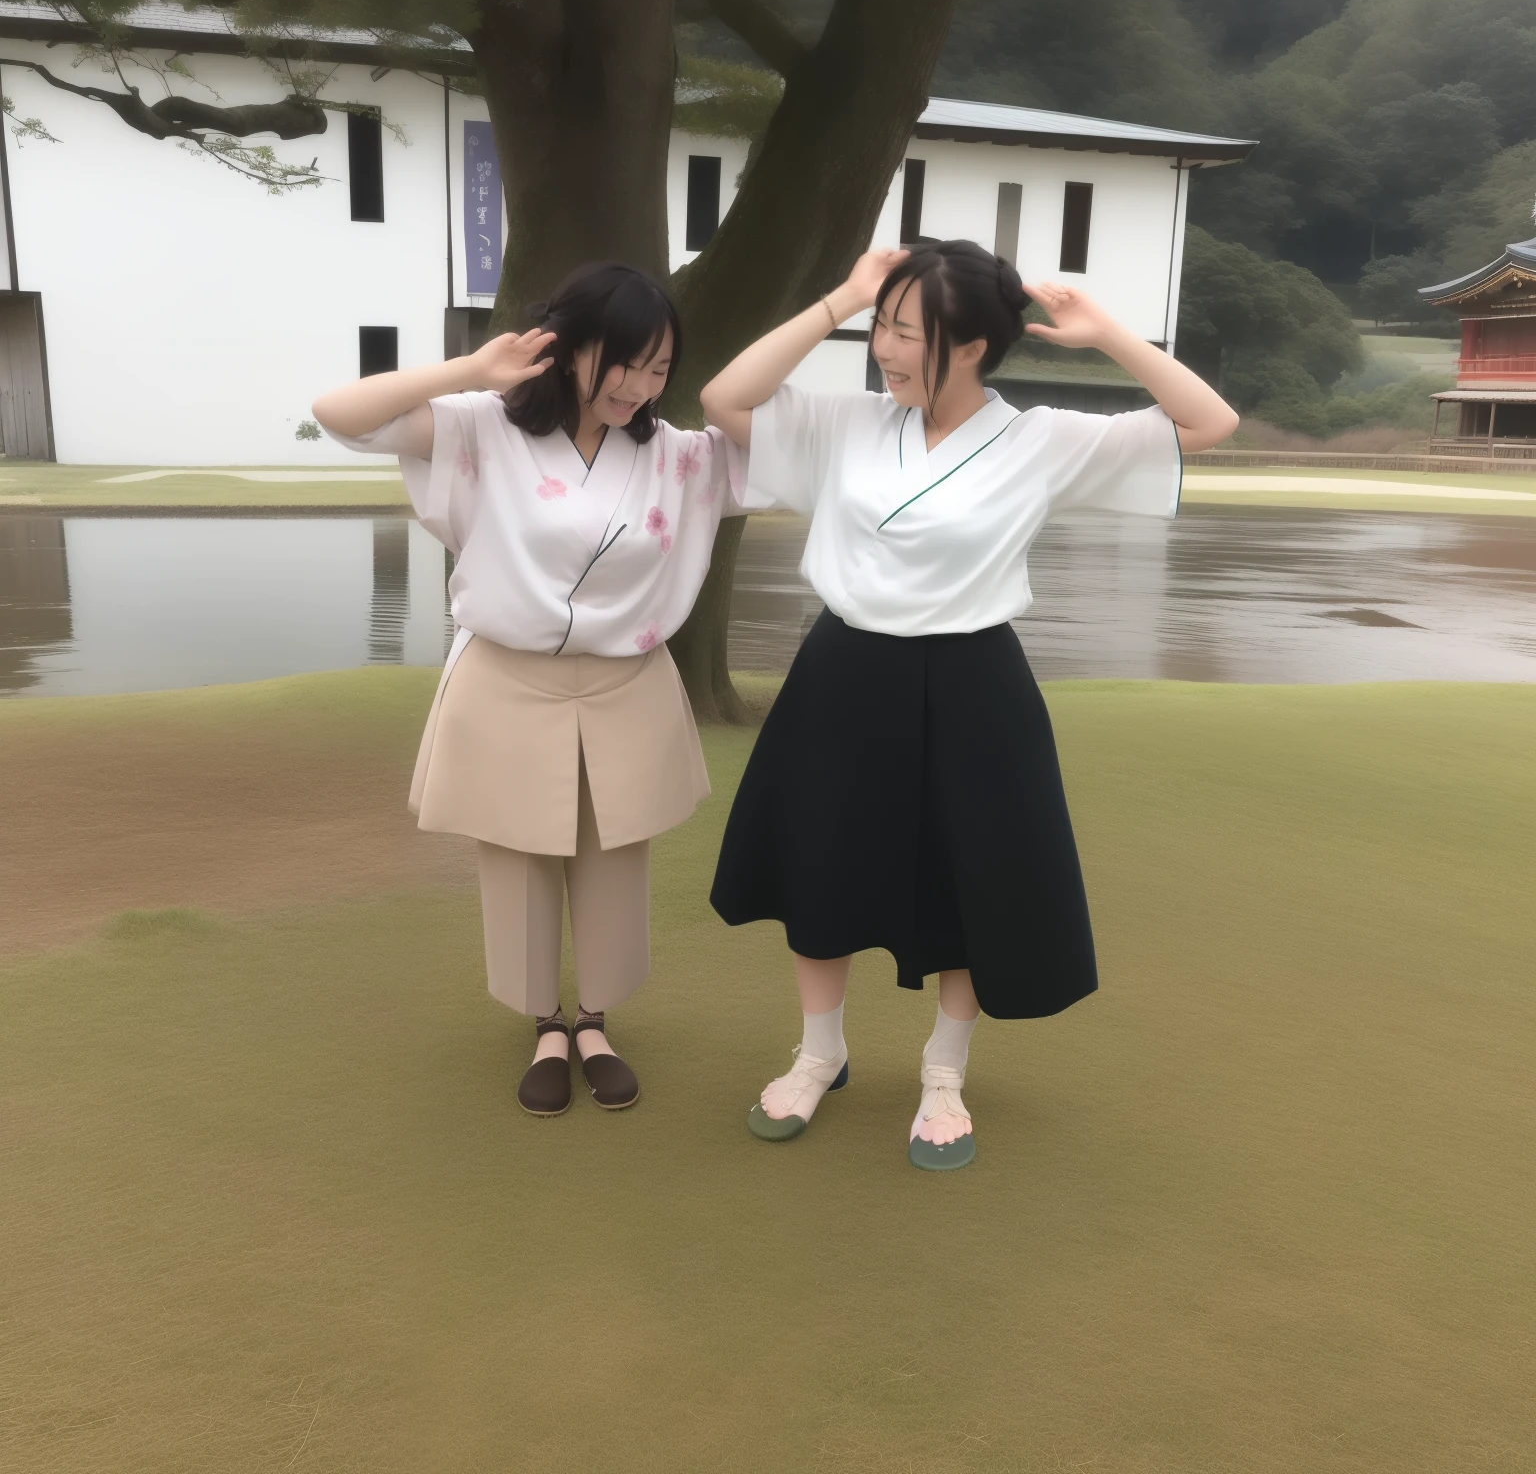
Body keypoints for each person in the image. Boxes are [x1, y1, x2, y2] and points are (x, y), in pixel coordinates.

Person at [701, 239, 1238, 1171]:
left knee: (970, 876)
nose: (886, 348)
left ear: (976, 346)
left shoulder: (1042, 440)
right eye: (884, 328)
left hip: (974, 683)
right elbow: (725, 400)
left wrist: (1107, 333)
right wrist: (844, 297)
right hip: (842, 673)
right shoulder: (850, 423)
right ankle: (818, 1054)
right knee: (819, 867)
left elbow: (1209, 422)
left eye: (908, 332)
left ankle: (943, 1074)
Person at [312, 262, 748, 1117]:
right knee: (516, 856)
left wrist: (842, 309)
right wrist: (474, 369)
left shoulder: (678, 457)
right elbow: (338, 414)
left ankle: (595, 1020)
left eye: (662, 370)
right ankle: (545, 1022)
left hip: (625, 681)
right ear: (571, 347)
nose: (642, 387)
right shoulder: (483, 427)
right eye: (627, 363)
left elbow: (776, 447)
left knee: (614, 856)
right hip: (509, 674)